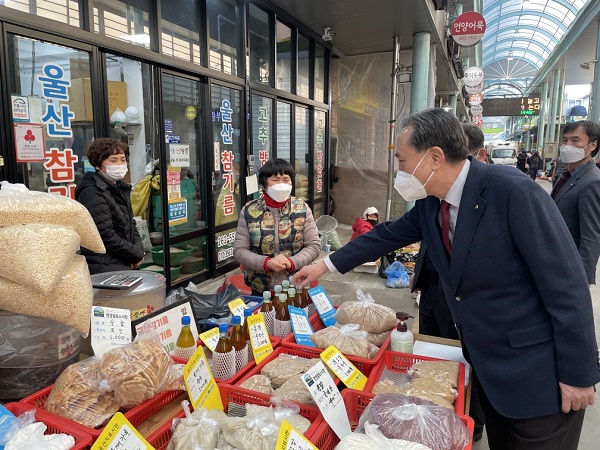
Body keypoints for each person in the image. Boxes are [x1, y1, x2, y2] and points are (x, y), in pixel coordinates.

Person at [295, 109, 599, 450]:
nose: (400, 172)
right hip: (487, 366)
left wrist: (578, 375)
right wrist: (326, 265)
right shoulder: (431, 204)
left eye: (402, 160)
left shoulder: (513, 193)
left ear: (434, 157)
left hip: (538, 374)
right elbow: (386, 235)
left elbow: (567, 287)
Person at [233, 158, 321, 295]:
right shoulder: (249, 210)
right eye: (275, 179)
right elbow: (239, 251)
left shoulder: (302, 208)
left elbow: (314, 246)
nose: (281, 184)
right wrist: (266, 263)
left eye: (286, 179)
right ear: (263, 184)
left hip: (295, 284)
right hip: (260, 286)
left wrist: (291, 262)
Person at [75, 138, 145, 274]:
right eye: (113, 160)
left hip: (124, 260)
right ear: (97, 164)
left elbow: (131, 224)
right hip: (105, 265)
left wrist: (138, 252)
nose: (119, 164)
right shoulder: (92, 191)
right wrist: (135, 254)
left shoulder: (118, 187)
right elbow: (105, 236)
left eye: (123, 159)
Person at [551, 120, 600, 285]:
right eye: (565, 140)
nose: (567, 145)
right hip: (555, 261)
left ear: (592, 145)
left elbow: (591, 235)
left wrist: (581, 278)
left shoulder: (592, 181)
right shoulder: (567, 175)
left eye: (575, 140)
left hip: (570, 267)